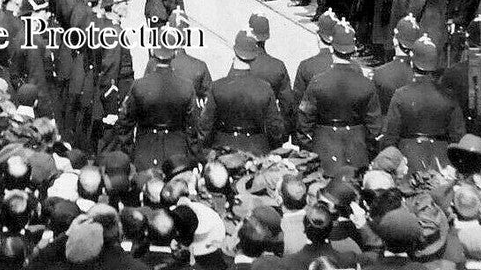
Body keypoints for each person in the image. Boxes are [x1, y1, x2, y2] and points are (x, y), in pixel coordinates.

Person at [296, 21, 382, 177]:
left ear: (332, 46)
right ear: (354, 49)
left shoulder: (317, 82)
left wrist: (312, 150)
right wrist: (364, 151)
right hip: (357, 155)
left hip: (323, 152)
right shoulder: (366, 84)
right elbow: (375, 128)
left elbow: (304, 124)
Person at [381, 36, 465, 173]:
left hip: (407, 160)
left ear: (413, 63)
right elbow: (458, 135)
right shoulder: (448, 96)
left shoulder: (401, 95)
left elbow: (390, 137)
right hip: (442, 161)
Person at [199, 32, 285, 155]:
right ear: (254, 56)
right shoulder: (265, 88)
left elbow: (205, 125)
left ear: (235, 52)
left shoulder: (218, 86)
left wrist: (206, 148)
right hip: (257, 147)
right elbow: (275, 127)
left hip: (224, 148)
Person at [116, 45, 201, 168]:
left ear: (153, 54)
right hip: (176, 151)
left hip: (145, 150)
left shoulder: (139, 85)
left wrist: (129, 152)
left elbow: (125, 122)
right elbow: (192, 127)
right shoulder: (186, 87)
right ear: (175, 54)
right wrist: (194, 157)